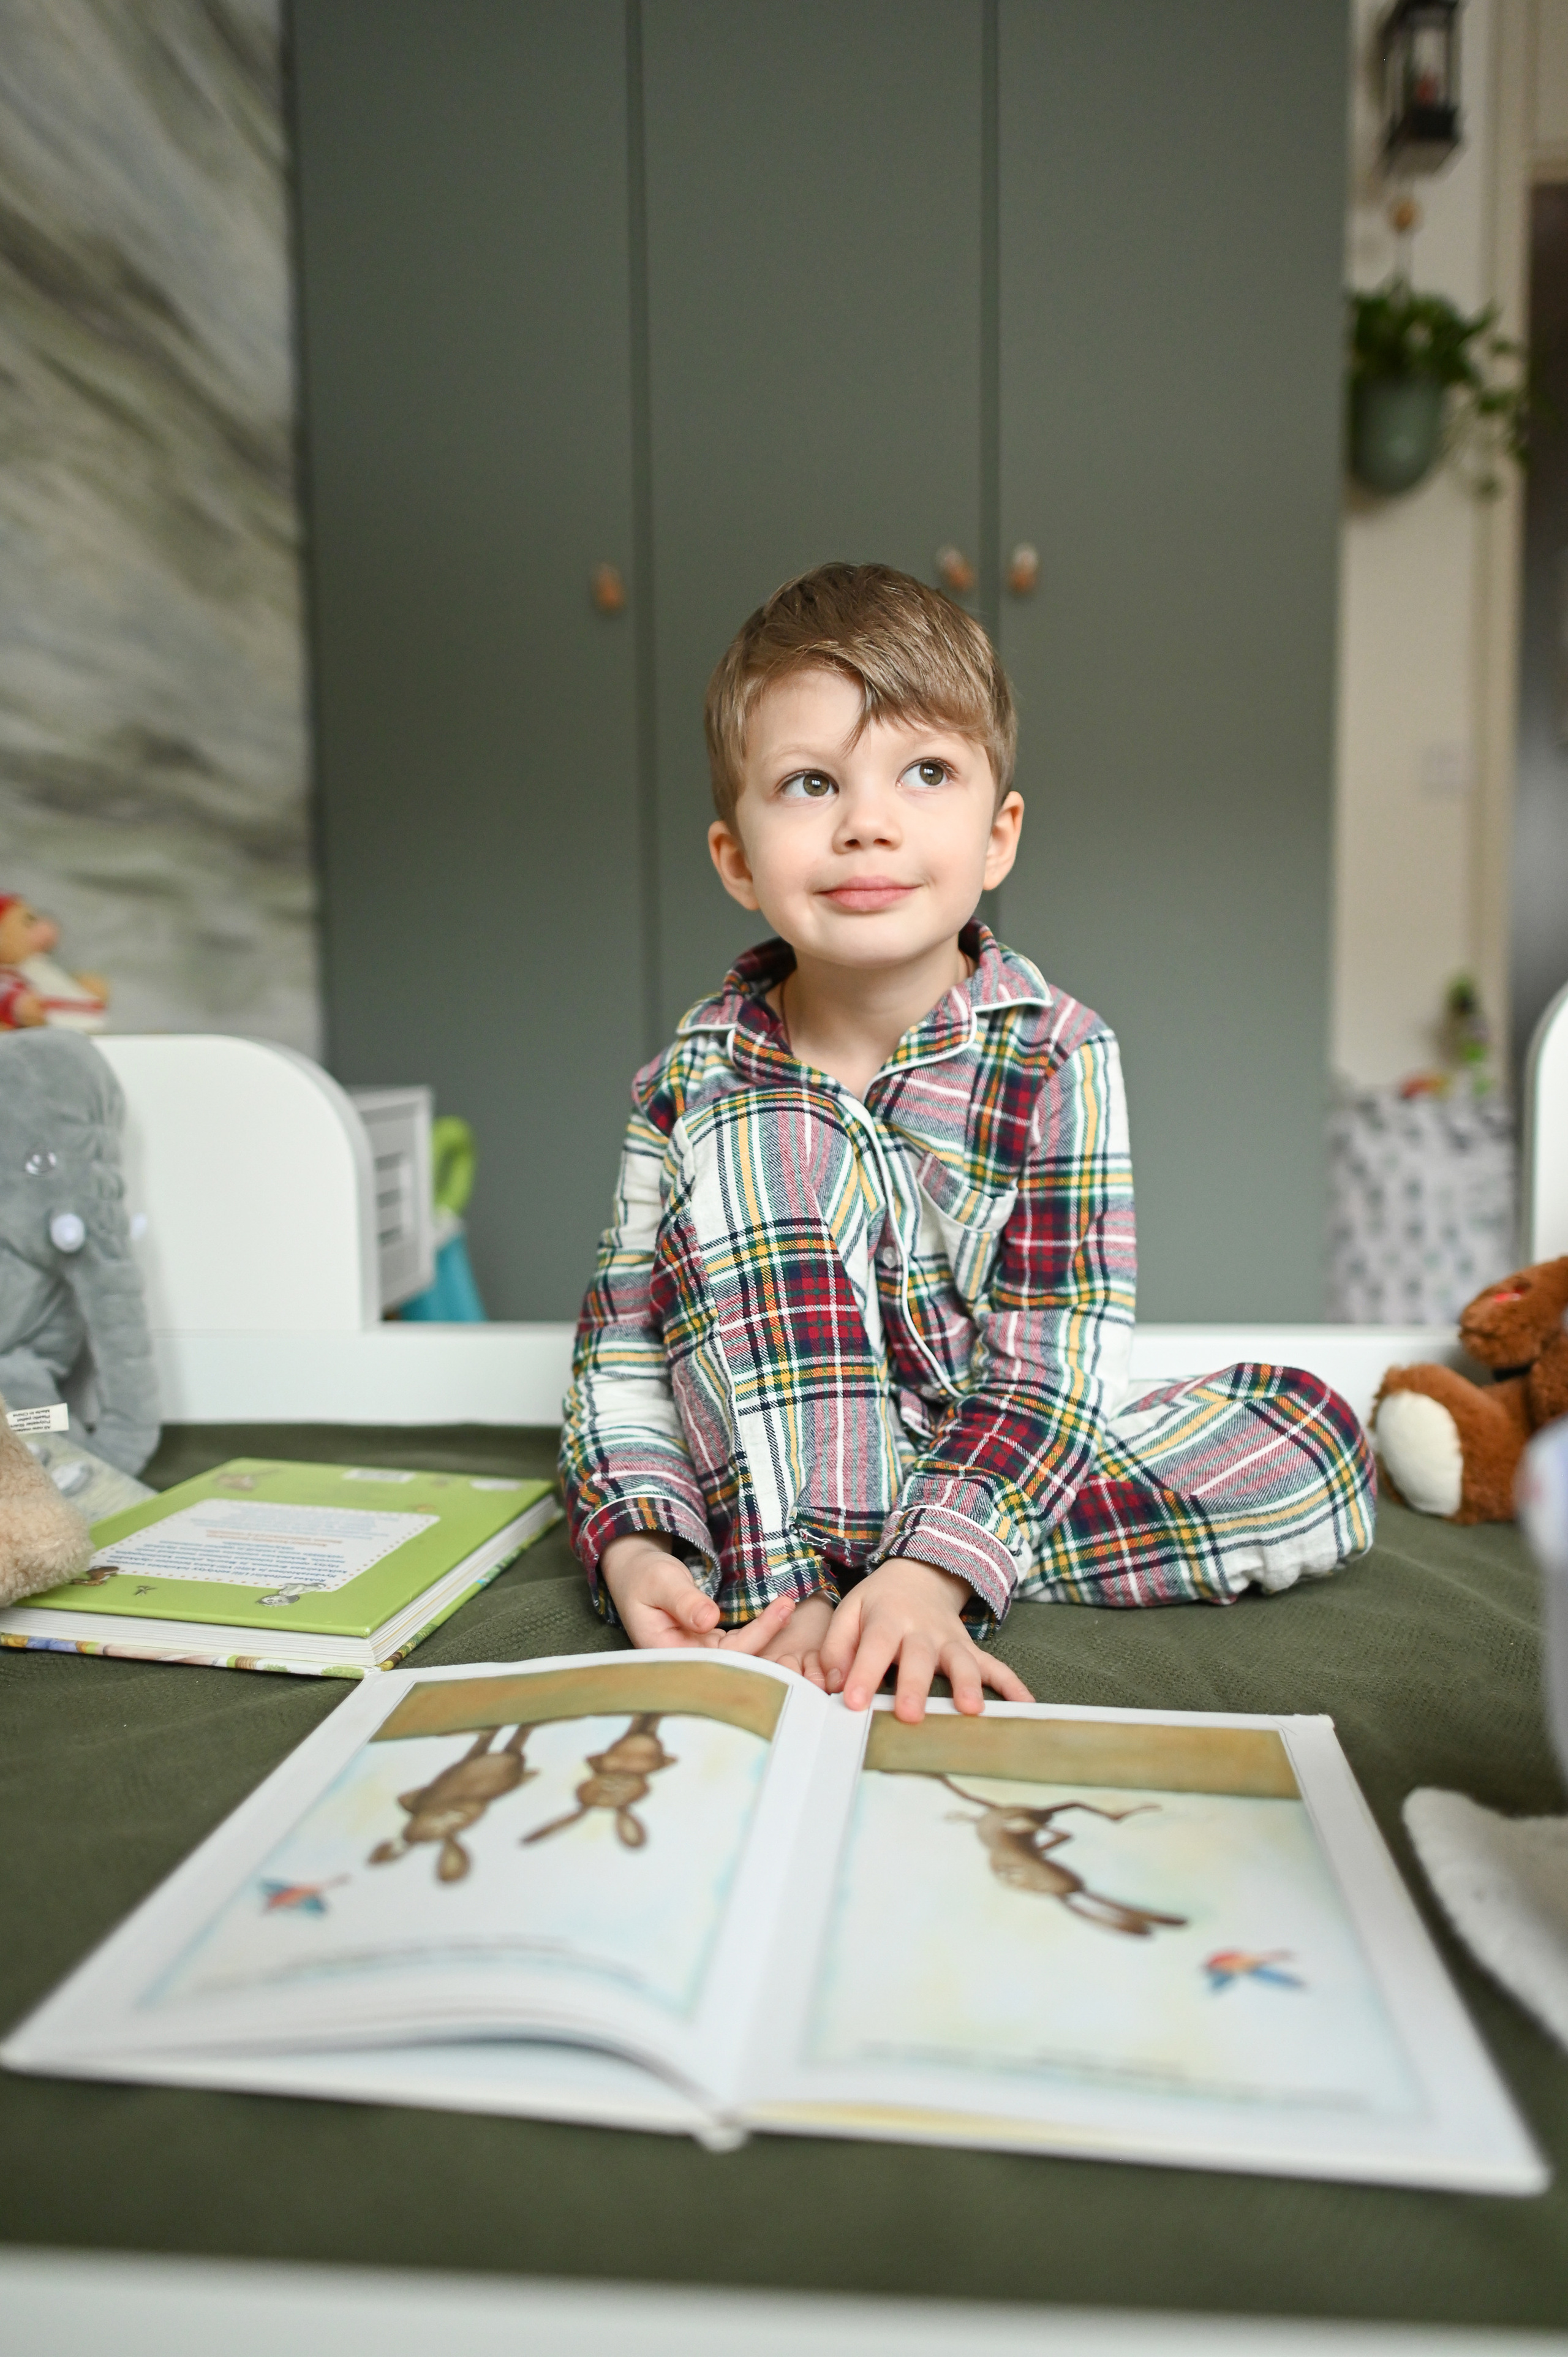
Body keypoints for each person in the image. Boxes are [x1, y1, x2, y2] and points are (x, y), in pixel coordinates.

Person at [560, 563, 1374, 1723]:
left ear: (998, 836)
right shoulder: (694, 1079)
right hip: (756, 1474)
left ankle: (915, 1578)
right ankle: (803, 1587)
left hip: (983, 1446)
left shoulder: (1058, 1055)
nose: (868, 821)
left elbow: (1056, 1360)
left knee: (1310, 1433)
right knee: (761, 1131)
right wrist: (640, 1547)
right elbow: (622, 1362)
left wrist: (933, 1557)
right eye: (807, 784)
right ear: (737, 859)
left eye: (925, 772)